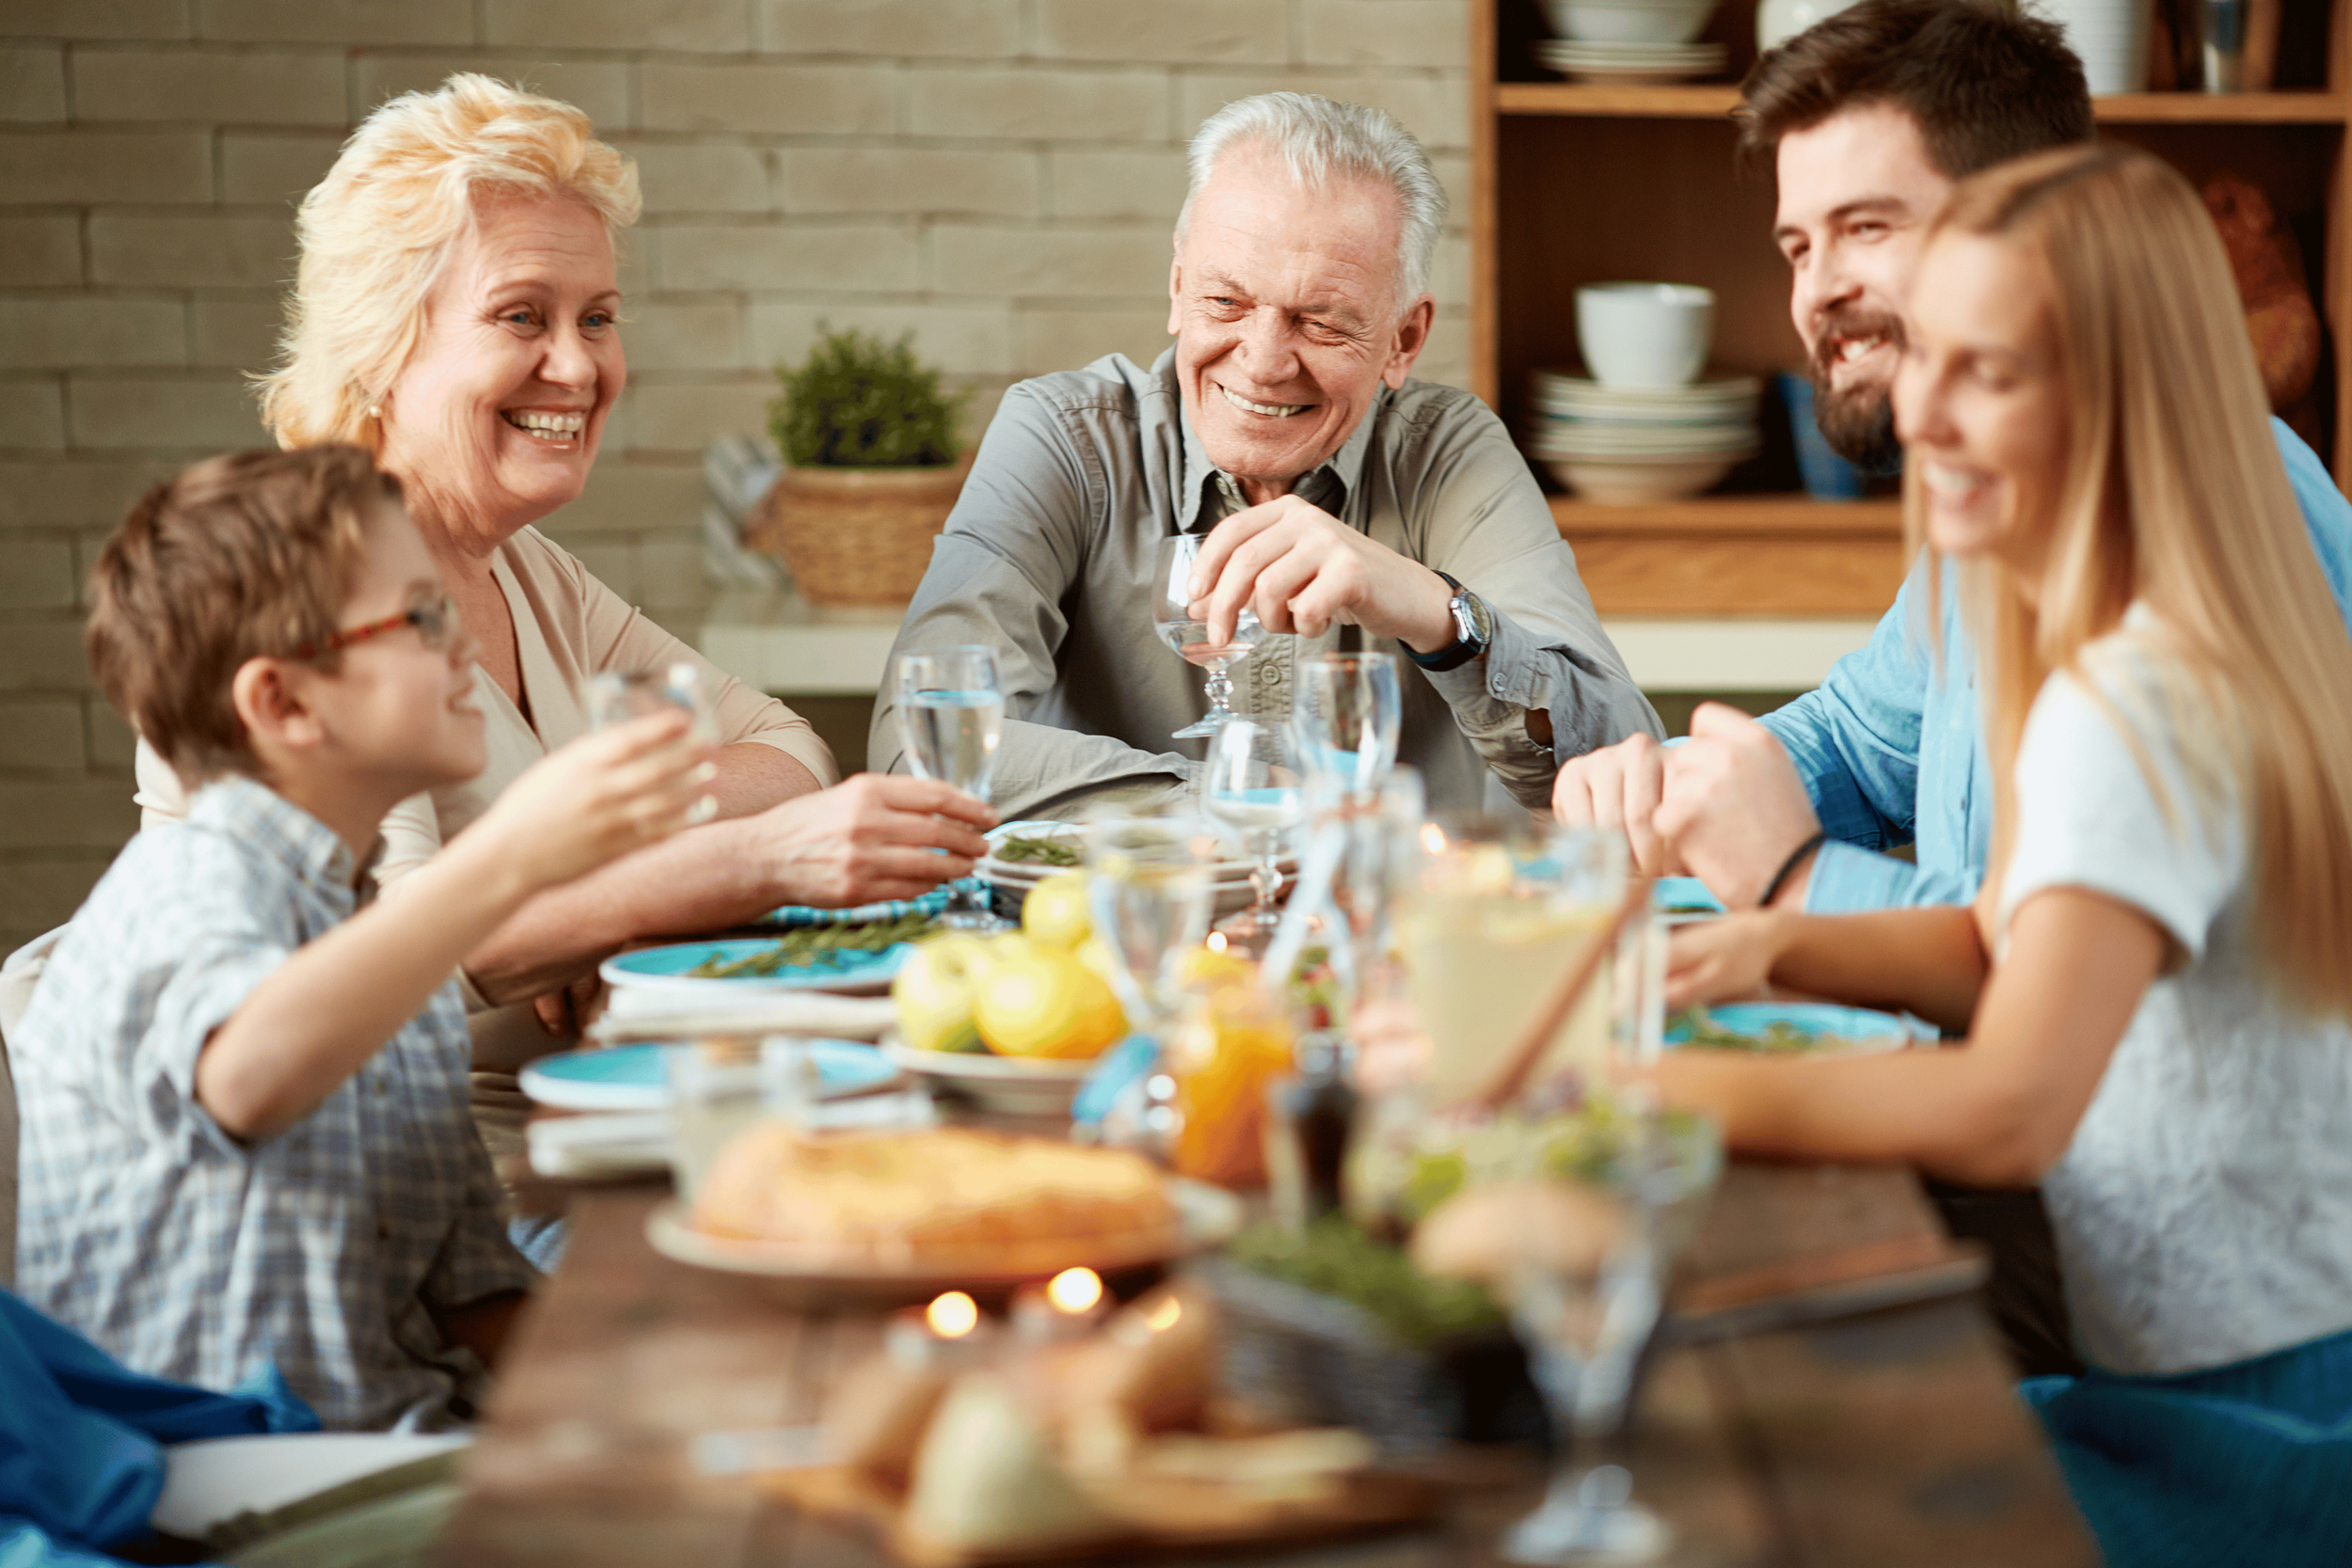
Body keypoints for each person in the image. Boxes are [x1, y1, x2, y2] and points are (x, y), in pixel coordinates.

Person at [0, 76, 998, 1202]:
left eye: (599, 318)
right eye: (522, 315)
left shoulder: (518, 564)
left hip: (599, 1129)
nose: (577, 366)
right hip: (438, 1192)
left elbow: (788, 744)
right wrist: (731, 862)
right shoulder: (304, 592)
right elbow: (417, 959)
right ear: (383, 344)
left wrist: (609, 878)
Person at [1656, 143, 2352, 1566]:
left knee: (1726, 1486)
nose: (1921, 411)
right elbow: (2007, 940)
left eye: (1993, 371)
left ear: (2121, 398)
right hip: (2227, 1377)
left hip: (2257, 1433)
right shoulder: (2120, 631)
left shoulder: (2138, 697)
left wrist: (1636, 1090)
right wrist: (1772, 942)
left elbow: (2011, 1110)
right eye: (1928, 358)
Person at [1552, 0, 2352, 911]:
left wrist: (1796, 883)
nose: (1815, 293)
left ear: (2025, 223)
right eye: (1797, 247)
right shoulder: (1994, 491)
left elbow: (2091, 981)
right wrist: (1672, 788)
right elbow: (1859, 744)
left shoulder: (2214, 512)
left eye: (1866, 228)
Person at [13, 446, 711, 1431]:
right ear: (285, 702)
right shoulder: (186, 886)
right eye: (423, 619)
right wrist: (512, 853)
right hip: (220, 1482)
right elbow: (250, 1072)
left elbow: (478, 1300)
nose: (463, 643)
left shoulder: (381, 930)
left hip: (402, 1445)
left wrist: (673, 1389)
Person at [874, 92, 1659, 819]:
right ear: (1178, 286)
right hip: (1112, 935)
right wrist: (1230, 804)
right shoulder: (1064, 437)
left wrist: (1438, 611)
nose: (1263, 361)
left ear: (1403, 338)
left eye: (1320, 322)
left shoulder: (1447, 453)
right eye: (1226, 302)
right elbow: (921, 748)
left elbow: (1621, 763)